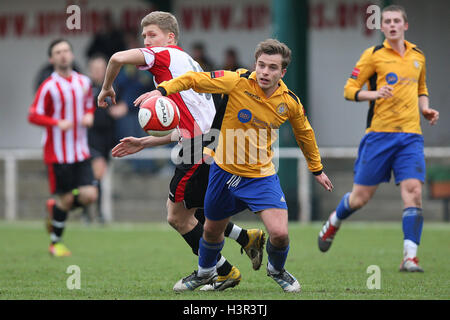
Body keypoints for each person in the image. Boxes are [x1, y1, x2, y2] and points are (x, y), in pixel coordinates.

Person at [134, 38, 333, 292]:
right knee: (211, 230)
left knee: (280, 233)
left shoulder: (289, 102)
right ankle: (205, 273)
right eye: (261, 65)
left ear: (282, 72)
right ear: (255, 64)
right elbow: (193, 79)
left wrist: (316, 169)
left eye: (272, 68)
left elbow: (305, 133)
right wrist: (162, 91)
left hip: (261, 177)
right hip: (223, 173)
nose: (264, 72)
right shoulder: (237, 81)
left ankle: (277, 270)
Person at [98, 11, 265, 291]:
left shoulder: (163, 55)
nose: (147, 41)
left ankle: (220, 271)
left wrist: (106, 89)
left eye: (152, 35)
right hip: (209, 143)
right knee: (197, 211)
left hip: (199, 148)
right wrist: (145, 142)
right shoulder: (189, 64)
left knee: (177, 216)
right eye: (144, 36)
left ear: (170, 37)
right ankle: (246, 238)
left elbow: (116, 58)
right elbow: (190, 123)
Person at [317, 5, 439, 273]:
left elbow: (421, 87)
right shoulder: (372, 56)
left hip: (411, 136)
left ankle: (410, 257)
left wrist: (425, 107)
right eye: (388, 21)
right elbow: (349, 90)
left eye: (397, 21)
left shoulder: (418, 54)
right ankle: (335, 220)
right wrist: (375, 94)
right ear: (381, 27)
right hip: (379, 136)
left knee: (414, 193)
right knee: (360, 198)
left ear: (405, 25)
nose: (393, 25)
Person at [28, 39, 98, 257]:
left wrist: (89, 114)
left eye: (66, 50)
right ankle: (55, 243)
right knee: (66, 199)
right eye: (58, 52)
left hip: (80, 150)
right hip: (57, 152)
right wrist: (56, 123)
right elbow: (33, 115)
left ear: (72, 55)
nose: (63, 55)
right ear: (52, 59)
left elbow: (88, 104)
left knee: (89, 195)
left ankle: (56, 208)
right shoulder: (48, 86)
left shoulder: (84, 82)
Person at [81, 54, 128, 224]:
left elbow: (121, 105)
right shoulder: (85, 89)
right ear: (90, 71)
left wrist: (123, 108)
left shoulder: (111, 88)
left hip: (108, 139)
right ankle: (93, 213)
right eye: (96, 69)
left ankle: (91, 212)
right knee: (97, 172)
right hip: (91, 138)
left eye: (102, 69)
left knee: (97, 178)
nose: (99, 72)